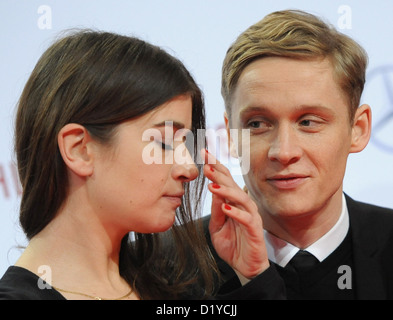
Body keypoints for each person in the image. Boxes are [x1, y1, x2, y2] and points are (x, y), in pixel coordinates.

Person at [0, 30, 278, 300]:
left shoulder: (178, 289)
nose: (190, 169)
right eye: (164, 143)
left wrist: (253, 279)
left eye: (186, 144)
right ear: (79, 150)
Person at [203, 9, 393, 299]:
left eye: (308, 122)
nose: (284, 152)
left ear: (358, 129)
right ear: (230, 136)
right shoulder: (162, 264)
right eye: (257, 124)